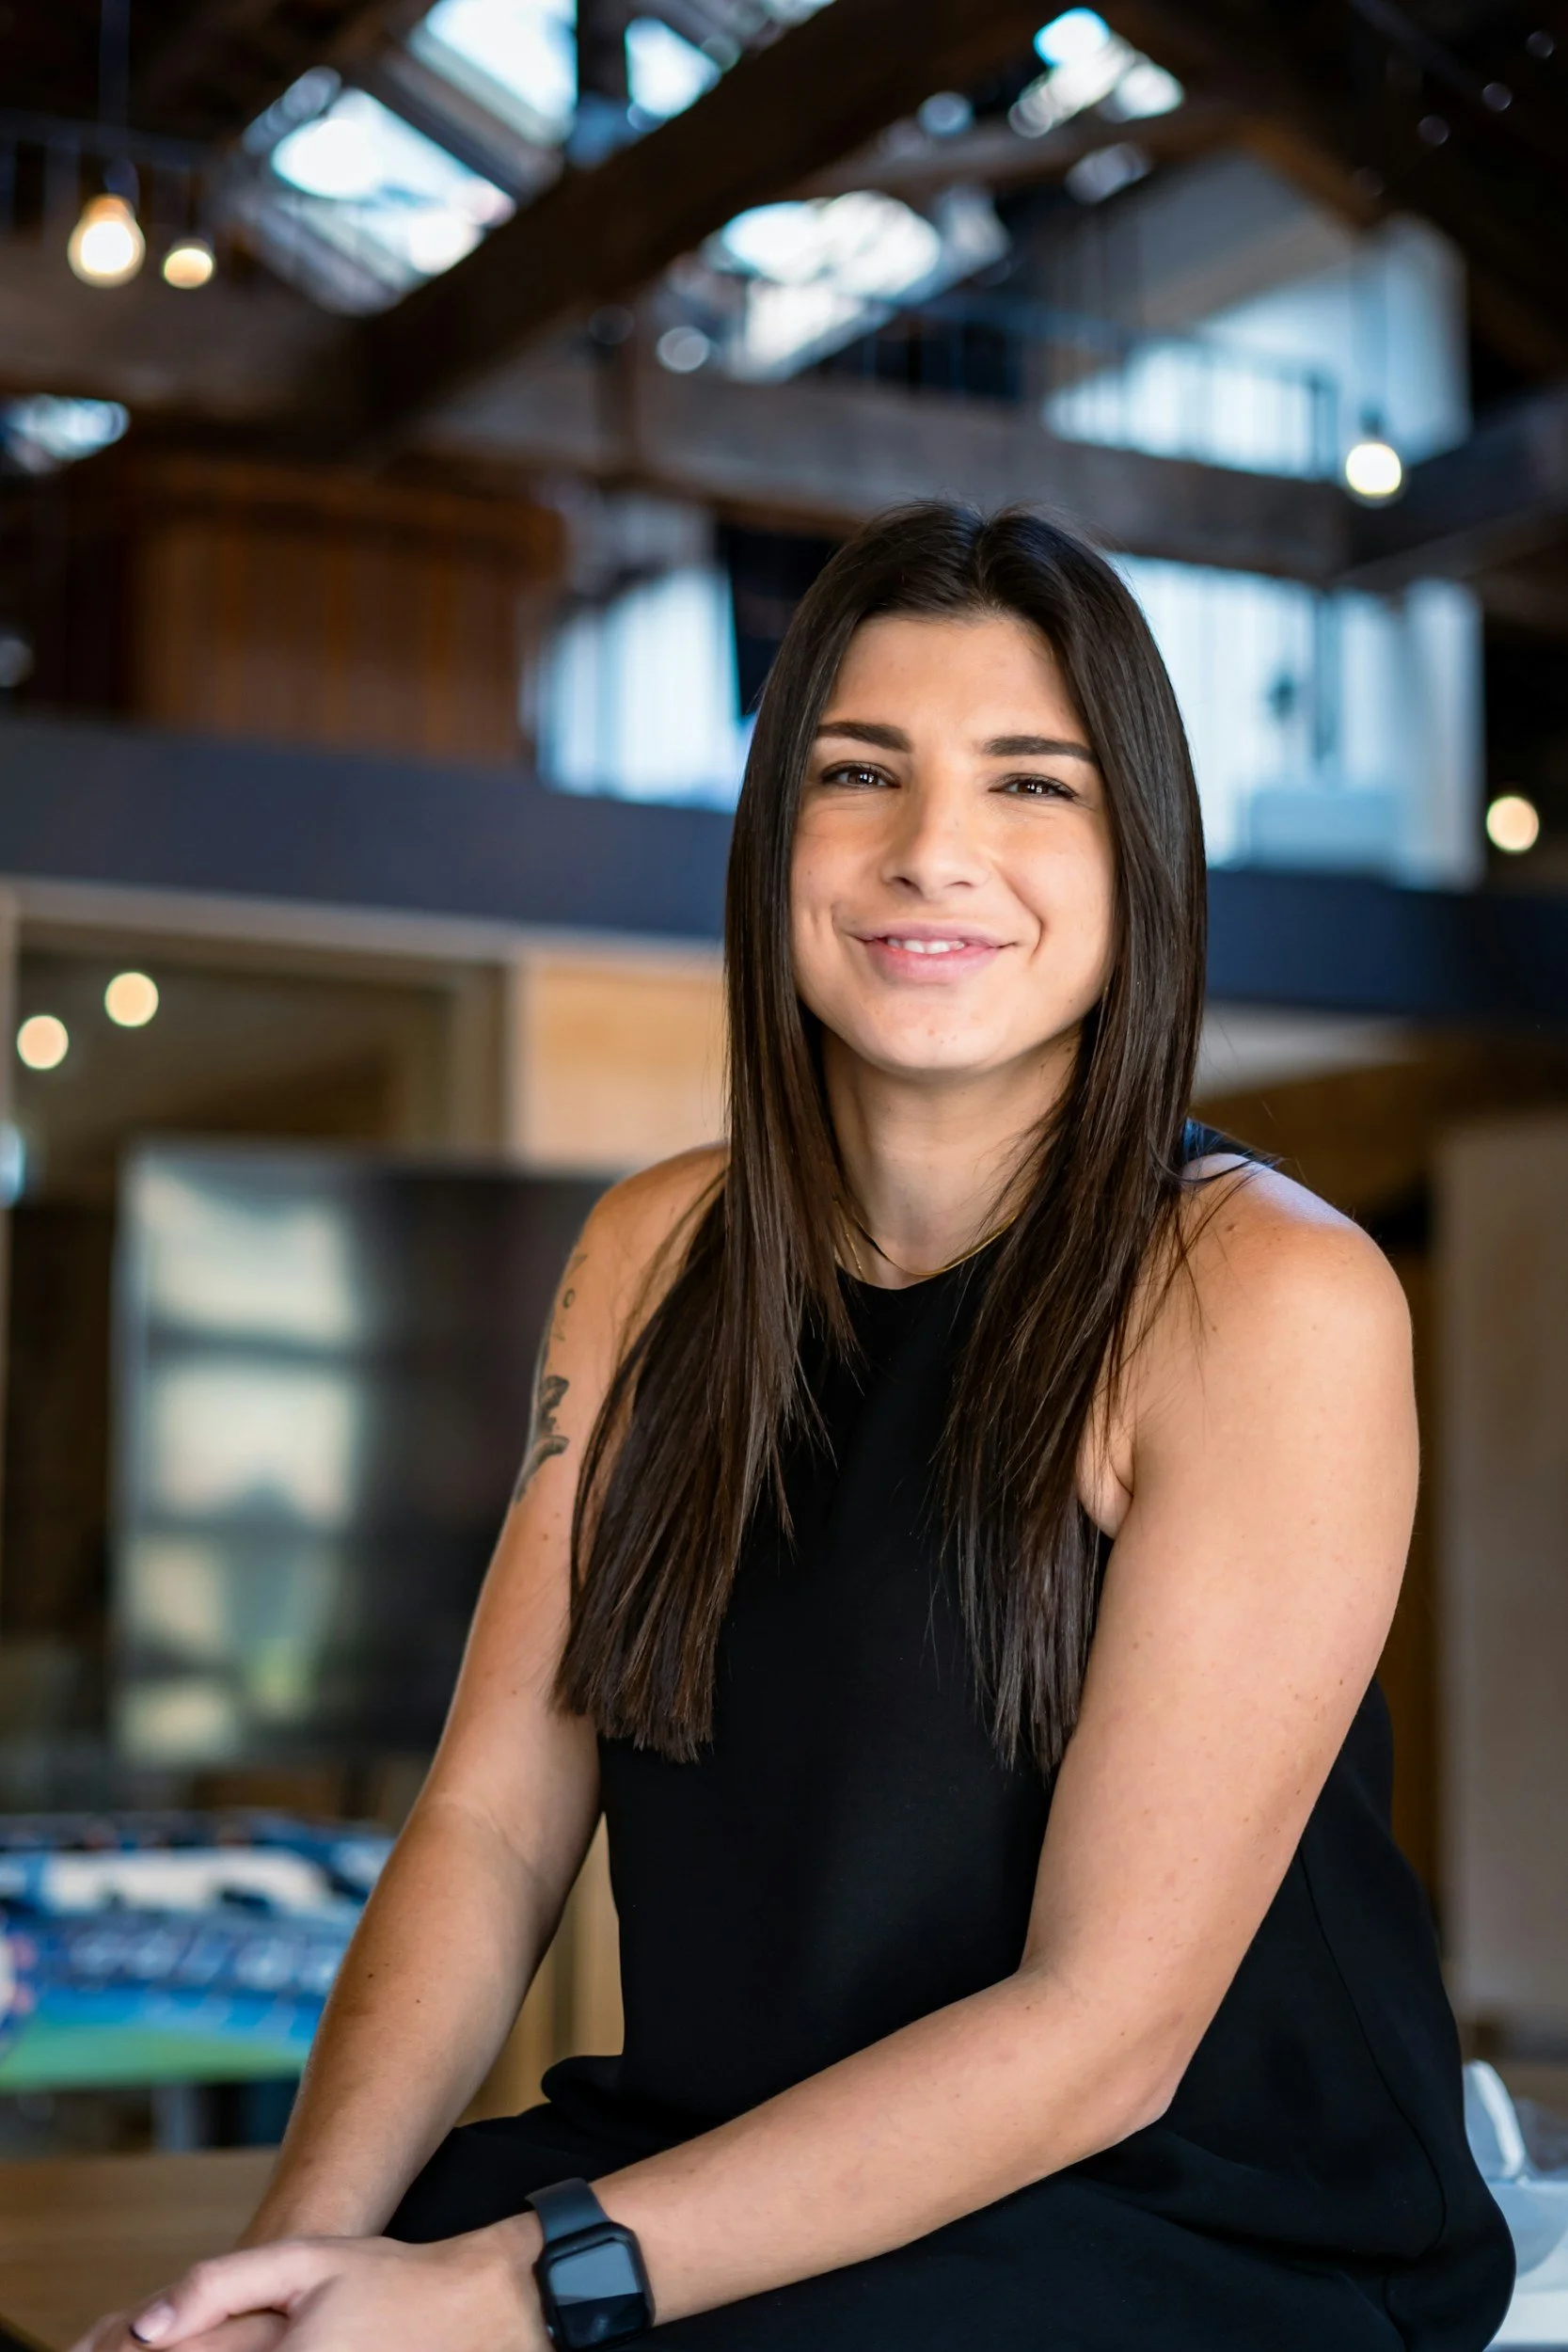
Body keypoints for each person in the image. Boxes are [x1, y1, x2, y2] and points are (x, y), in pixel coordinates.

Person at [80, 504, 1513, 2352]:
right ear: (776, 838)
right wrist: (292, 2266)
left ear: (1137, 851)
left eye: (1028, 784)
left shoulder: (1256, 1293)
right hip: (738, 2136)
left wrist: (517, 2288)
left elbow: (1102, 2031)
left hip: (1183, 2200)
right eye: (860, 770)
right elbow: (495, 1817)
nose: (933, 851)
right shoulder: (652, 1248)